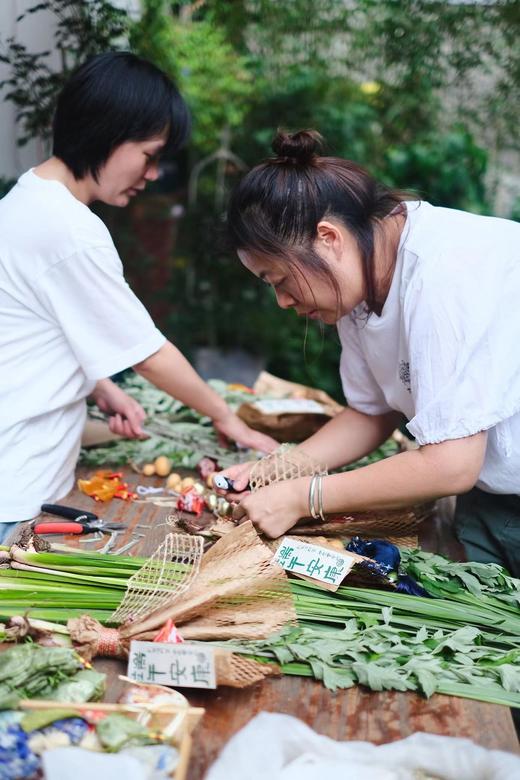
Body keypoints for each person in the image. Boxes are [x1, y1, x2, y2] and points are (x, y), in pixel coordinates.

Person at [217, 129, 520, 578]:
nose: (282, 301)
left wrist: (304, 497)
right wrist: (284, 469)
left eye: (279, 280)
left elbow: (450, 465)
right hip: (494, 493)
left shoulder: (442, 277)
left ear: (328, 237)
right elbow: (371, 412)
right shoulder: (360, 275)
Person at [0, 52, 276, 540]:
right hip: (16, 489)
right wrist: (225, 417)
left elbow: (29, 331)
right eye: (150, 155)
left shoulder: (26, 202)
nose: (151, 175)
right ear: (105, 132)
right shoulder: (69, 230)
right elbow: (149, 355)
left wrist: (100, 386)